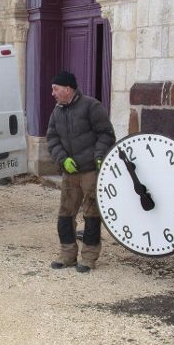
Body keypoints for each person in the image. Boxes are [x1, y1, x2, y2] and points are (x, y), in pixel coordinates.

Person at [46, 71, 116, 273]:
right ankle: (67, 255)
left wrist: (100, 156)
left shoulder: (91, 106)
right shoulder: (57, 112)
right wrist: (62, 159)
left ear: (68, 89)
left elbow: (106, 133)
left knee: (92, 214)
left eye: (55, 89)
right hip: (70, 172)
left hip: (91, 171)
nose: (53, 93)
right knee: (65, 214)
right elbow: (52, 138)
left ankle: (89, 257)